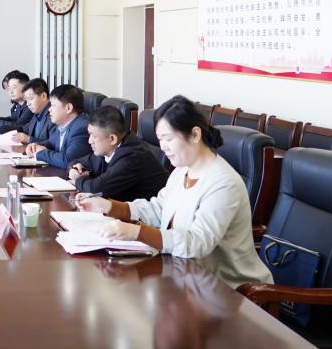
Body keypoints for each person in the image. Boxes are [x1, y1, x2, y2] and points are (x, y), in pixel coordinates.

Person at [75, 95, 272, 289]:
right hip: (186, 276)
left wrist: (137, 232)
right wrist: (109, 206)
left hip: (229, 288)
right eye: (160, 139)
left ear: (195, 135)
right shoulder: (181, 171)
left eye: (168, 138)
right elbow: (158, 209)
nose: (162, 147)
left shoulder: (224, 183)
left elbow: (198, 243)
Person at [68, 105, 168, 201]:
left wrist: (78, 179)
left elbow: (97, 189)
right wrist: (74, 169)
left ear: (112, 139)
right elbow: (76, 161)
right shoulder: (106, 149)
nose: (89, 141)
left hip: (147, 211)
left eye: (93, 136)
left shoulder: (132, 157)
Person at [25, 84, 89, 169]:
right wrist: (35, 146)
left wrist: (40, 153)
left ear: (68, 108)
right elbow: (51, 143)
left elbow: (67, 161)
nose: (49, 109)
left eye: (53, 105)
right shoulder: (63, 124)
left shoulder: (81, 128)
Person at [11, 78, 56, 145]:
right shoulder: (37, 114)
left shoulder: (54, 115)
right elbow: (23, 128)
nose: (28, 104)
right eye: (27, 100)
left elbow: (54, 144)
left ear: (43, 96)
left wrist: (29, 139)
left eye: (31, 98)